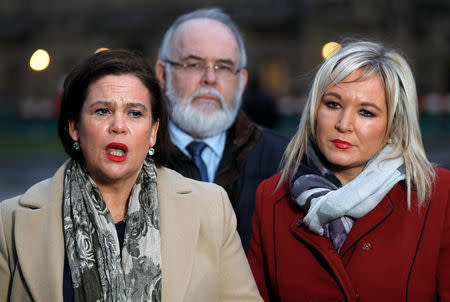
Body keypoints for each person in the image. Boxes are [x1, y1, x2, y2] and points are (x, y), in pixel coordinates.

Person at [0, 49, 262, 302]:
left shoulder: (211, 208)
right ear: (74, 127)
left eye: (134, 113)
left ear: (152, 132)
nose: (118, 126)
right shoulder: (9, 221)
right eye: (102, 111)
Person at [247, 41, 450, 301]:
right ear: (314, 110)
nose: (344, 124)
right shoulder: (272, 197)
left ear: (393, 125)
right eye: (333, 105)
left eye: (366, 112)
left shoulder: (438, 196)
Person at [155, 8, 289, 252]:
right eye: (194, 64)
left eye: (224, 67)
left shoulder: (285, 161)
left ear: (242, 81)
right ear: (163, 74)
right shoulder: (134, 158)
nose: (209, 78)